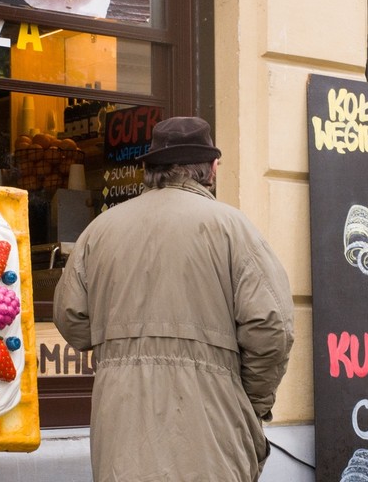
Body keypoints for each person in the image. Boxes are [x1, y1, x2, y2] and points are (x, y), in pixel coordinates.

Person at [54, 116, 295, 482]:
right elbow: (271, 327)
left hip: (120, 428)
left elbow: (72, 319)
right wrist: (251, 403)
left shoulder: (99, 231)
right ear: (211, 168)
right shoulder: (232, 228)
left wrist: (118, 338)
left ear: (151, 169)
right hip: (209, 428)